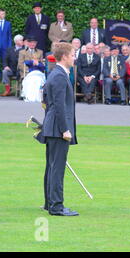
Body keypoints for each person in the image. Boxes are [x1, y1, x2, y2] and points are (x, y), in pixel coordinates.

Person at [39, 42, 78, 216]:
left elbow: (47, 101)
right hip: (57, 128)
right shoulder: (59, 76)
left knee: (52, 166)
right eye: (73, 54)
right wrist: (65, 129)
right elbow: (59, 106)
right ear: (64, 56)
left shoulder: (56, 74)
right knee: (57, 167)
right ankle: (56, 205)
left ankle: (50, 203)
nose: (74, 57)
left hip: (52, 126)